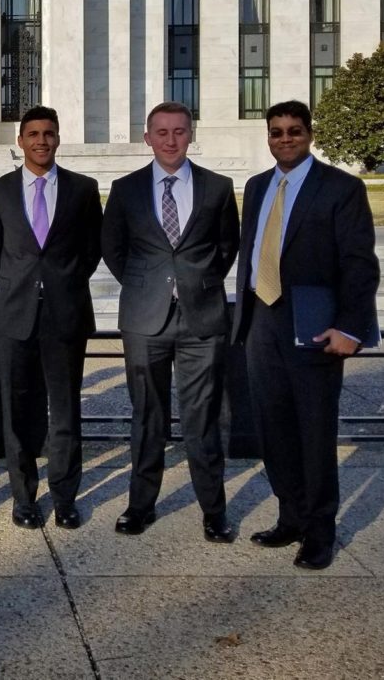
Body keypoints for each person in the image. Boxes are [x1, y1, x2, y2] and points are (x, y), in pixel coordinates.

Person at [233, 100, 379, 570]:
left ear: (309, 134)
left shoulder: (341, 188)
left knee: (314, 432)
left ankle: (320, 532)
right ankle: (290, 517)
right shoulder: (257, 187)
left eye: (294, 130)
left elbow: (359, 263)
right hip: (262, 320)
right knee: (273, 430)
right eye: (276, 132)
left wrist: (351, 328)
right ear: (268, 138)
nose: (285, 138)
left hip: (313, 324)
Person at [101, 101, 239, 542]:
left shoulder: (218, 187)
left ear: (191, 134)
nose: (171, 140)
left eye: (179, 131)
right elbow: (113, 249)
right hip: (145, 319)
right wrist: (149, 286)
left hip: (202, 318)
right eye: (161, 132)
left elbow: (226, 247)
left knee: (204, 418)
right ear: (147, 137)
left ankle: (213, 511)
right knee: (147, 415)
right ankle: (140, 506)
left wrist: (194, 282)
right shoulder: (125, 190)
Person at [0, 105, 102, 529]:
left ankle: (66, 497)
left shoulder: (83, 189)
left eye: (48, 133)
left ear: (57, 137)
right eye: (32, 134)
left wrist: (60, 283)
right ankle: (24, 498)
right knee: (17, 411)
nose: (41, 141)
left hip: (65, 314)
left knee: (66, 410)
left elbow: (92, 250)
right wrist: (24, 283)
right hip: (14, 315)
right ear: (20, 141)